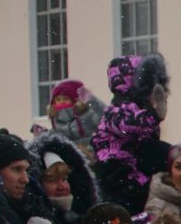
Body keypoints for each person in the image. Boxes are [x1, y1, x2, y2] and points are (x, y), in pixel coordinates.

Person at [91, 54, 174, 209]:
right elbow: (127, 124)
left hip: (132, 167)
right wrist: (153, 116)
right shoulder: (116, 110)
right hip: (116, 168)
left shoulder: (140, 108)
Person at [47, 78, 101, 145]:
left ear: (75, 100)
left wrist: (92, 101)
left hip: (93, 151)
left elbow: (106, 118)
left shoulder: (89, 114)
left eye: (66, 98)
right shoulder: (56, 119)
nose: (62, 102)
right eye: (58, 99)